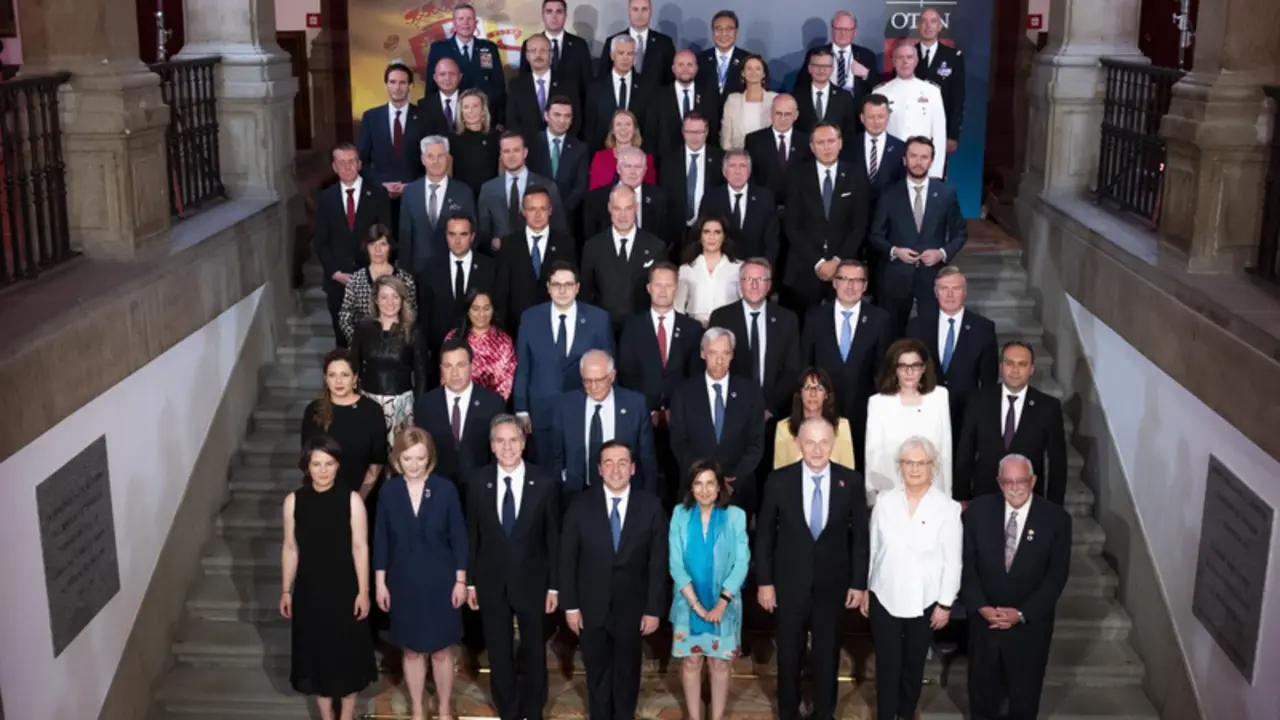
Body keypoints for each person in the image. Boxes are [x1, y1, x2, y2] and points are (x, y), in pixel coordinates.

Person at [756, 417, 869, 720]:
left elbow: (860, 537)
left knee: (828, 653)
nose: (817, 450)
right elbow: (765, 535)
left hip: (832, 585)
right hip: (789, 584)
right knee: (789, 654)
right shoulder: (778, 481)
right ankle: (788, 712)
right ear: (798, 444)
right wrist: (765, 582)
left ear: (833, 444)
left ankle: (824, 712)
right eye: (810, 442)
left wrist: (858, 583)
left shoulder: (850, 481)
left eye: (824, 442)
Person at [559, 440, 669, 720]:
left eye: (622, 463)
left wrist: (653, 609)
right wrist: (570, 606)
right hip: (590, 609)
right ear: (599, 469)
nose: (615, 470)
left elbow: (658, 563)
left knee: (627, 677)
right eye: (608, 463)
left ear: (633, 468)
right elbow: (568, 560)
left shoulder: (651, 507)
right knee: (597, 677)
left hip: (633, 610)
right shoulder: (580, 505)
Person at [465, 414, 561, 720]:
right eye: (500, 441)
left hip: (533, 582)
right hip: (491, 582)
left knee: (534, 651)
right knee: (498, 652)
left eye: (513, 440)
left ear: (523, 442)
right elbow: (472, 536)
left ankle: (533, 710)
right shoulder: (477, 482)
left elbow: (553, 538)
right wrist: (470, 582)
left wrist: (554, 586)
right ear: (492, 445)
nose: (507, 447)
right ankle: (507, 709)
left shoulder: (544, 482)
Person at [962, 453, 1072, 720]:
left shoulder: (1056, 519)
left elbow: (1056, 576)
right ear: (999, 482)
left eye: (1021, 481)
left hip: (1029, 628)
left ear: (1033, 481)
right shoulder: (977, 512)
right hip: (984, 624)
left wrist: (1022, 614)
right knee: (982, 697)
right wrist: (982, 607)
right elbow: (966, 566)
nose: (1014, 488)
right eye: (1007, 481)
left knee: (1024, 700)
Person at [862, 436, 962, 720]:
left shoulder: (948, 509)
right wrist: (868, 589)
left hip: (925, 601)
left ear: (933, 466)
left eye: (921, 463)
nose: (915, 469)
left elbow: (953, 562)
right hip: (884, 595)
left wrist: (945, 604)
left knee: (912, 666)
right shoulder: (884, 502)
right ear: (900, 466)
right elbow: (873, 550)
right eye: (908, 463)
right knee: (886, 666)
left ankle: (906, 714)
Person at [374, 427, 469, 720]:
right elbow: (381, 539)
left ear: (429, 458)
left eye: (420, 458)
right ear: (397, 459)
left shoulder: (445, 489)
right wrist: (380, 582)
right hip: (403, 582)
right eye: (407, 458)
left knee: (441, 651)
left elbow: (459, 536)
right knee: (412, 651)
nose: (414, 465)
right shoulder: (389, 492)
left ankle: (443, 707)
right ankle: (417, 707)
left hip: (441, 582)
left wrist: (461, 580)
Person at [281, 435, 378, 720]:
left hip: (345, 589)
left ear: (338, 465)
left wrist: (363, 591)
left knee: (347, 653)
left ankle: (346, 715)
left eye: (329, 463)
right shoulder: (293, 502)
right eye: (317, 464)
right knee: (317, 654)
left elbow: (360, 547)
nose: (323, 470)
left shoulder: (352, 501)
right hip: (310, 590)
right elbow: (290, 547)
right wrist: (286, 590)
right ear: (307, 466)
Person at [616, 262, 706, 505]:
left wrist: (674, 411)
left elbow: (695, 377)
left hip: (681, 421)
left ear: (677, 288)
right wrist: (648, 411)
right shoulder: (632, 326)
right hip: (642, 418)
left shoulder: (692, 329)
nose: (663, 290)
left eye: (669, 285)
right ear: (648, 288)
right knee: (646, 480)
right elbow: (626, 373)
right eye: (658, 285)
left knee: (679, 480)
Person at [668, 461, 750, 720]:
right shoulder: (679, 514)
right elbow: (676, 563)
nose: (704, 490)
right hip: (687, 602)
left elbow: (742, 562)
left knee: (719, 663)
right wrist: (697, 606)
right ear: (691, 488)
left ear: (719, 487)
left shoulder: (736, 516)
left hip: (724, 602)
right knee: (691, 661)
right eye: (698, 484)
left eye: (710, 484)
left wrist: (721, 603)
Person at [513, 261, 614, 464]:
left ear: (577, 287)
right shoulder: (530, 318)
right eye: (556, 284)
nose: (562, 290)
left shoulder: (598, 319)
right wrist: (521, 409)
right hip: (542, 410)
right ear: (548, 287)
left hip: (584, 407)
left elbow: (608, 367)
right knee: (545, 468)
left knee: (581, 466)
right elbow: (522, 367)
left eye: (568, 285)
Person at [868, 136, 967, 337]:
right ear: (904, 159)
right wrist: (895, 251)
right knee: (892, 335)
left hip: (932, 277)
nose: (918, 162)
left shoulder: (946, 193)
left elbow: (960, 233)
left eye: (924, 157)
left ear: (931, 161)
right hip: (896, 277)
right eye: (913, 156)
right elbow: (875, 235)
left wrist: (941, 253)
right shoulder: (889, 194)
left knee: (932, 335)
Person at [800, 259, 892, 472]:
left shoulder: (880, 319)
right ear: (834, 282)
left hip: (863, 412)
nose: (850, 286)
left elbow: (883, 369)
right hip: (822, 410)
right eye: (844, 279)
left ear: (865, 285)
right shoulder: (815, 317)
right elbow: (806, 364)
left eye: (857, 280)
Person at [955, 342, 1068, 505]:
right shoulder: (978, 401)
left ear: (1032, 369)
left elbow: (1058, 463)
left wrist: (1053, 507)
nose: (1015, 370)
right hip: (984, 499)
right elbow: (965, 453)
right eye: (1009, 363)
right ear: (1001, 367)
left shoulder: (1048, 407)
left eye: (1022, 364)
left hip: (1028, 501)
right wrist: (961, 498)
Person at [668, 327, 766, 511]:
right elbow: (679, 443)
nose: (720, 361)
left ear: (732, 355)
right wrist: (705, 480)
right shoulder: (683, 393)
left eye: (725, 353)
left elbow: (756, 444)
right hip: (695, 490)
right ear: (703, 354)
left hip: (738, 491)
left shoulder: (751, 393)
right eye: (713, 353)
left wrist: (733, 480)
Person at [548, 349, 658, 500]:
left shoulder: (635, 405)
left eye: (599, 380)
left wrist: (649, 498)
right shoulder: (565, 405)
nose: (593, 387)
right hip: (576, 494)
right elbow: (557, 457)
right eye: (587, 381)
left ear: (612, 376)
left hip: (624, 493)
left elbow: (647, 458)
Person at [783, 123, 868, 310]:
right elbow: (791, 226)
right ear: (812, 147)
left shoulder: (855, 175)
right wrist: (819, 263)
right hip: (805, 267)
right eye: (820, 143)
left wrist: (837, 261)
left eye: (831, 141)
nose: (827, 147)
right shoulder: (797, 176)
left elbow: (859, 226)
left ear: (840, 143)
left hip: (844, 269)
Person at [314, 142, 393, 346]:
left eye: (351, 161)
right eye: (342, 163)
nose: (347, 167)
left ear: (359, 164)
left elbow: (386, 237)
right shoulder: (326, 198)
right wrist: (335, 273)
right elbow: (321, 241)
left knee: (374, 340)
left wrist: (374, 271)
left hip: (372, 280)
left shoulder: (377, 194)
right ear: (334, 167)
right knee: (343, 340)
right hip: (338, 283)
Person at [905, 266, 999, 434]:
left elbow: (989, 381)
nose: (949, 295)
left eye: (956, 289)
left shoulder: (983, 328)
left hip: (967, 414)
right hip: (925, 411)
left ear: (965, 292)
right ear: (936, 292)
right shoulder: (916, 327)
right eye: (944, 289)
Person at [707, 258, 801, 421]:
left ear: (769, 285)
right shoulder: (721, 317)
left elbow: (792, 369)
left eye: (760, 279)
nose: (754, 285)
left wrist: (770, 407)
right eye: (748, 279)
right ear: (740, 284)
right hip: (731, 411)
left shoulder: (787, 319)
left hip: (774, 413)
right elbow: (715, 365)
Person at [865, 338, 953, 504]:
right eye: (903, 366)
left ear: (924, 368)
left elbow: (945, 452)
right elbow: (873, 456)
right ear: (894, 369)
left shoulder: (939, 397)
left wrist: (947, 496)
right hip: (892, 494)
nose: (909, 372)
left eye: (915, 366)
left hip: (933, 494)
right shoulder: (878, 403)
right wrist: (874, 500)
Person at [415, 339, 505, 490]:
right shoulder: (425, 404)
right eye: (448, 366)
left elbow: (497, 454)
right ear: (441, 369)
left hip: (481, 490)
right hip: (438, 490)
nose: (455, 373)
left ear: (472, 367)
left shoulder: (493, 403)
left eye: (461, 365)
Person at [349, 276, 430, 444]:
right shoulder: (363, 328)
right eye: (384, 297)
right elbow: (354, 367)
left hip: (402, 405)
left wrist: (420, 410)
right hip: (369, 401)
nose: (390, 302)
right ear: (376, 300)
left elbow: (422, 375)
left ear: (402, 300)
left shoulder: (413, 331)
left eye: (395, 297)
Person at [580, 185, 667, 333]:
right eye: (617, 209)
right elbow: (586, 293)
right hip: (603, 328)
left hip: (642, 329)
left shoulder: (655, 246)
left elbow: (659, 292)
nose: (623, 215)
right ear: (609, 208)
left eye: (628, 208)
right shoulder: (593, 246)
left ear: (636, 208)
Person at [301, 349, 387, 499]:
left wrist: (358, 499)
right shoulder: (313, 411)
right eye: (332, 375)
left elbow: (377, 462)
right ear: (326, 379)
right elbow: (308, 458)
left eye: (344, 375)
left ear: (355, 379)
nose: (338, 381)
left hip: (363, 496)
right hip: (321, 495)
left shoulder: (372, 411)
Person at [492, 186, 578, 333]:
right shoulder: (509, 244)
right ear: (523, 212)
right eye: (532, 209)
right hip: (518, 327)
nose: (538, 214)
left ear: (550, 210)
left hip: (556, 326)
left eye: (542, 209)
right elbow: (502, 291)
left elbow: (572, 286)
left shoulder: (565, 243)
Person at [398, 136, 476, 286]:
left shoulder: (463, 192)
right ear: (423, 159)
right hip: (418, 274)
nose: (436, 161)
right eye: (430, 156)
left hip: (453, 272)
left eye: (440, 156)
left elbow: (473, 234)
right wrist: (404, 276)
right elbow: (405, 237)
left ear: (448, 158)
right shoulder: (410, 192)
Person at [420, 214, 496, 354]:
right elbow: (424, 316)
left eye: (463, 234)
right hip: (440, 352)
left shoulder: (490, 268)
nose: (457, 240)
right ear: (446, 236)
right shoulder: (430, 269)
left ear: (472, 237)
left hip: (482, 352)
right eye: (452, 234)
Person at [477, 132, 567, 250]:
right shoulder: (488, 189)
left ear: (525, 152)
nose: (511, 156)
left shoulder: (547, 186)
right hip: (500, 256)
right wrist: (492, 243)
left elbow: (559, 228)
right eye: (506, 151)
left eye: (516, 150)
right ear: (501, 155)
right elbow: (483, 232)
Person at [424, 3, 507, 128]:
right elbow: (431, 86)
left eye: (469, 18)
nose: (465, 23)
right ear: (454, 23)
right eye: (461, 19)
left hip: (484, 118)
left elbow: (498, 85)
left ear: (476, 22)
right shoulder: (439, 49)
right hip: (451, 119)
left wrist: (500, 120)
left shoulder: (489, 48)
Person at [356, 63, 426, 209]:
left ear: (410, 86)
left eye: (402, 82)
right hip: (380, 197)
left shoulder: (424, 117)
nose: (397, 88)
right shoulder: (371, 117)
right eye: (392, 82)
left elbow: (432, 159)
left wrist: (412, 186)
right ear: (386, 85)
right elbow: (362, 160)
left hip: (415, 196)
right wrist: (380, 184)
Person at [874, 41, 948, 179]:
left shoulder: (932, 91)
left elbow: (939, 134)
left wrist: (935, 172)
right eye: (900, 57)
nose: (905, 62)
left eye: (909, 57)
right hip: (890, 163)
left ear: (916, 61)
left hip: (922, 163)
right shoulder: (880, 92)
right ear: (893, 61)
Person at [338, 224, 418, 346]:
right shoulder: (356, 280)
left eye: (382, 244)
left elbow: (412, 313)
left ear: (390, 247)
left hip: (398, 345)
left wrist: (400, 340)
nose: (378, 250)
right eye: (372, 244)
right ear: (366, 247)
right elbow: (345, 316)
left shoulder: (405, 279)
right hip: (364, 346)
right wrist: (359, 342)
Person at [699, 150, 781, 266]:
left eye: (742, 166)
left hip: (755, 267)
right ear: (724, 171)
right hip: (721, 266)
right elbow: (702, 236)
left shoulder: (765, 198)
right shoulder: (711, 198)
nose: (737, 171)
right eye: (732, 166)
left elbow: (772, 241)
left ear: (749, 171)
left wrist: (766, 268)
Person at [794, 11, 879, 114]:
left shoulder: (866, 55)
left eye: (847, 29)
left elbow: (878, 89)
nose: (843, 33)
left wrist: (866, 75)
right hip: (824, 111)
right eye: (839, 29)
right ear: (832, 30)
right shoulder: (815, 54)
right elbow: (801, 85)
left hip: (856, 114)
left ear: (854, 32)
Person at [659, 112, 725, 244]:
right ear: (683, 132)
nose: (695, 137)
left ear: (707, 132)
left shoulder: (720, 159)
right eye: (690, 132)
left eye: (699, 132)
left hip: (709, 231)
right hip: (676, 234)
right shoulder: (669, 161)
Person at [773, 367, 856, 470]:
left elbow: (849, 470)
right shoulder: (784, 428)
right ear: (800, 393)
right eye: (808, 388)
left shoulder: (842, 427)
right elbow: (779, 472)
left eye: (819, 388)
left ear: (826, 395)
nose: (813, 394)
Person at [525, 96, 591, 224]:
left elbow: (580, 187)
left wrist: (560, 211)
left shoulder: (580, 148)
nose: (562, 120)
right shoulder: (531, 144)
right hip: (534, 216)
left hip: (566, 219)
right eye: (557, 115)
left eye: (567, 116)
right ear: (546, 116)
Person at [647, 50, 720, 162]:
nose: (685, 69)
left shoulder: (709, 96)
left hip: (701, 162)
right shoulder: (658, 96)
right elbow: (651, 134)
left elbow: (713, 133)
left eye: (689, 65)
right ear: (673, 68)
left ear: (696, 68)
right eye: (681, 64)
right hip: (665, 163)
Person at [583, 145, 668, 241]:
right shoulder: (596, 198)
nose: (633, 172)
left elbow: (662, 239)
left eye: (638, 167)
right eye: (627, 166)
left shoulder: (658, 198)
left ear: (645, 170)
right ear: (618, 169)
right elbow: (591, 240)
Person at [519, 0, 593, 110]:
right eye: (549, 11)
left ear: (565, 15)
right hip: (537, 111)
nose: (554, 16)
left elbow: (587, 84)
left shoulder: (579, 45)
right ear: (543, 15)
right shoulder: (530, 44)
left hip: (571, 112)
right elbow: (523, 81)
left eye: (559, 11)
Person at [444, 291, 518, 401]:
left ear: (493, 310)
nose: (481, 314)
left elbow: (506, 384)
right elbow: (446, 376)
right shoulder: (453, 337)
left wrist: (490, 405)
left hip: (492, 405)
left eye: (486, 308)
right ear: (468, 311)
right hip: (457, 404)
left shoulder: (504, 341)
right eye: (475, 309)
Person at [507, 34, 581, 142]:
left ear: (551, 55)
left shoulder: (567, 84)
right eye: (533, 51)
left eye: (543, 50)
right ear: (527, 56)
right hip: (527, 147)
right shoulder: (516, 85)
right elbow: (512, 122)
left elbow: (576, 119)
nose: (538, 55)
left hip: (559, 146)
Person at [586, 35, 652, 150]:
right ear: (612, 55)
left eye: (630, 54)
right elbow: (589, 127)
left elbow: (649, 126)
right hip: (602, 151)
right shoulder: (596, 87)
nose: (625, 58)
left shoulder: (646, 87)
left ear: (635, 57)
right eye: (621, 53)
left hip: (636, 154)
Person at [915, 8, 966, 157]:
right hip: (912, 126)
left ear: (940, 27)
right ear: (918, 25)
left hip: (940, 128)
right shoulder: (908, 54)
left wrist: (953, 135)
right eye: (924, 21)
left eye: (933, 21)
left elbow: (957, 99)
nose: (928, 26)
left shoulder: (953, 57)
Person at [743, 94, 810, 205]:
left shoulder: (806, 142)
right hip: (763, 205)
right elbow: (750, 176)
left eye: (787, 114)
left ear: (796, 115)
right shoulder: (754, 141)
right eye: (778, 113)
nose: (782, 118)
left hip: (797, 206)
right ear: (771, 113)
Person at [676, 216, 741, 326]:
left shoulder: (738, 267)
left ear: (724, 236)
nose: (712, 237)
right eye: (707, 232)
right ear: (700, 236)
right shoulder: (686, 269)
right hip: (695, 327)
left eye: (717, 232)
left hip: (729, 327)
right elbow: (679, 307)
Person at [597, 0, 675, 90]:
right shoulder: (612, 41)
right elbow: (603, 78)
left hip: (656, 97)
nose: (639, 14)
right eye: (635, 9)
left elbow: (671, 79)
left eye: (644, 9)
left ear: (650, 12)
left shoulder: (664, 43)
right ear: (629, 12)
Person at [792, 48, 857, 139]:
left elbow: (849, 133)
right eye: (817, 65)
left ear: (832, 69)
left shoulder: (844, 97)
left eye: (826, 66)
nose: (821, 70)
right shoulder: (796, 97)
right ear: (809, 68)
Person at [448, 89, 500, 203]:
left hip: (491, 198)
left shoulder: (496, 137)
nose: (470, 111)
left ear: (483, 110)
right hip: (462, 199)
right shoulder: (452, 140)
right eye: (466, 107)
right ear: (461, 111)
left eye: (475, 106)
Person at [588, 109, 657, 191]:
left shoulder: (646, 159)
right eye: (618, 124)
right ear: (612, 130)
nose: (623, 129)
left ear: (635, 130)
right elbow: (594, 191)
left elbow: (650, 192)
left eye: (628, 124)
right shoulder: (600, 157)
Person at [718, 56, 774, 151]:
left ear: (764, 74)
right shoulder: (732, 100)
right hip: (738, 155)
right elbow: (726, 136)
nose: (753, 72)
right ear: (743, 73)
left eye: (757, 69)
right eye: (749, 68)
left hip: (767, 154)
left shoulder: (774, 99)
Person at [419, 57, 464, 137]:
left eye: (452, 74)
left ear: (460, 76)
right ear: (435, 78)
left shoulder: (471, 101)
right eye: (442, 74)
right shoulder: (424, 105)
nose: (447, 78)